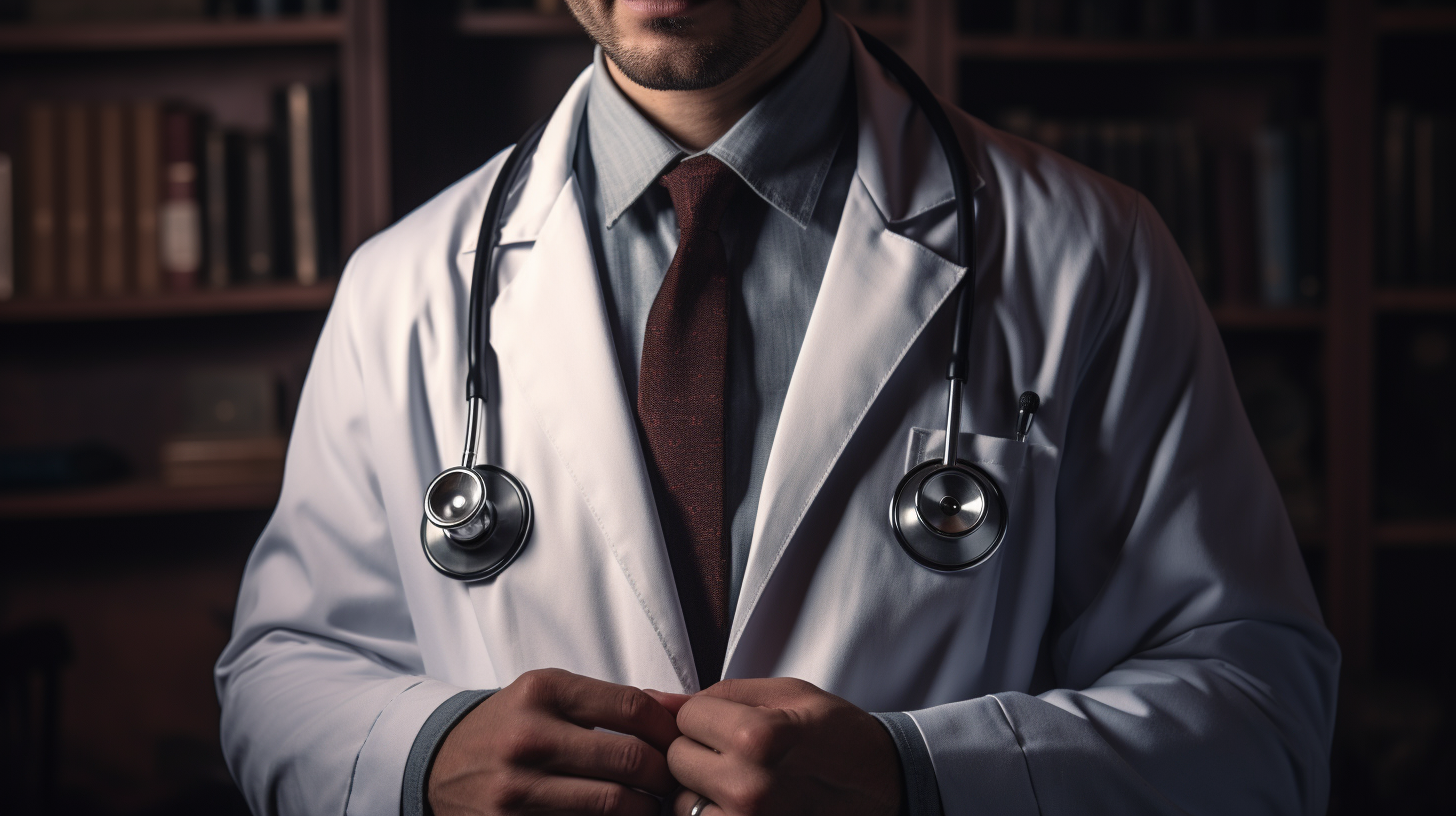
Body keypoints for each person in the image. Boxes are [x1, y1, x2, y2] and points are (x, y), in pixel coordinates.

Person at [215, 0, 1340, 814]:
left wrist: (927, 782)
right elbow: (281, 673)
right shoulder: (406, 283)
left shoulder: (1088, 254)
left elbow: (1257, 708)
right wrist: (422, 757)